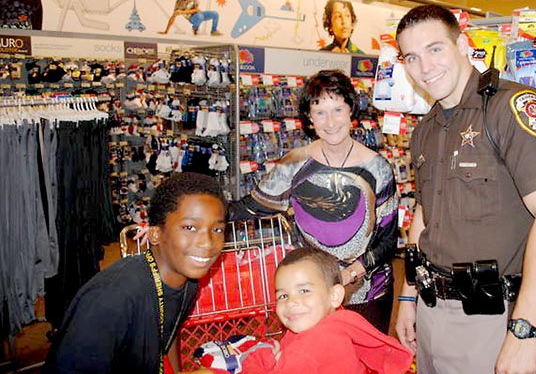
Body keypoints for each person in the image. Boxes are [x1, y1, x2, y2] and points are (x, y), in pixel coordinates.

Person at [393, 4, 536, 374]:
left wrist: (524, 332)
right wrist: (408, 296)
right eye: (411, 57)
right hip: (430, 311)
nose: (425, 68)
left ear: (462, 45)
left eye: (435, 49)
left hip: (493, 320)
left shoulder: (513, 109)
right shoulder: (425, 130)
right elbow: (424, 218)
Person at [228, 70, 398, 333]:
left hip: (367, 292)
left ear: (351, 110)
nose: (330, 122)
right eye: (320, 112)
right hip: (310, 296)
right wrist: (178, 220)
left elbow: (387, 241)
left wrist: (348, 275)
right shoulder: (295, 163)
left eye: (338, 109)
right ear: (308, 117)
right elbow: (248, 208)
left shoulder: (378, 169)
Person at [43, 172, 227, 374]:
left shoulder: (188, 283)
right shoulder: (111, 298)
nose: (208, 243)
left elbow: (168, 333)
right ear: (156, 234)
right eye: (190, 227)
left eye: (217, 230)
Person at [242, 247, 413, 373]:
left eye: (304, 291)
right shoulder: (338, 322)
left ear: (334, 295)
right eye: (283, 296)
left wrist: (260, 357)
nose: (291, 302)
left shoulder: (307, 350)